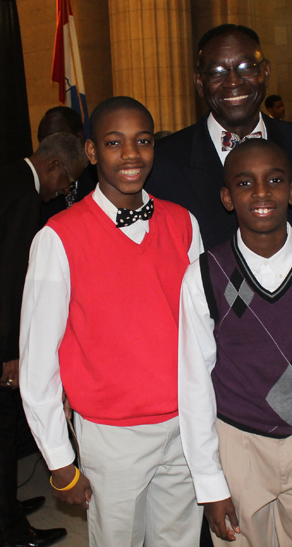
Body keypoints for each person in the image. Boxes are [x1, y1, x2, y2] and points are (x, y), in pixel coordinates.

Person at [19, 96, 204, 547]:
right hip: (110, 434)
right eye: (114, 142)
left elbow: (201, 331)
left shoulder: (183, 223)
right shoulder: (58, 237)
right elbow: (37, 360)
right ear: (91, 152)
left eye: (142, 141)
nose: (131, 155)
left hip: (185, 425)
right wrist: (59, 459)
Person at [178, 139, 292, 546]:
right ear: (228, 198)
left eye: (275, 180)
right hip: (237, 444)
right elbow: (194, 385)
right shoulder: (205, 274)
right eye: (245, 183)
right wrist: (210, 484)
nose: (261, 192)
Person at [146, 24, 292, 250]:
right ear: (200, 83)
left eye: (246, 67)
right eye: (217, 72)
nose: (233, 81)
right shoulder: (162, 163)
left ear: (266, 72)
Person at [0, 132, 87, 547]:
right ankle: (11, 529)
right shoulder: (25, 198)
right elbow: (10, 281)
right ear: (54, 166)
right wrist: (11, 353)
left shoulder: (9, 178)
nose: (64, 191)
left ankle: (9, 508)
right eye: (68, 181)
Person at [38, 106, 98, 225]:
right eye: (41, 140)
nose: (45, 147)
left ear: (78, 137)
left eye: (53, 139)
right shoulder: (40, 184)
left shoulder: (100, 176)